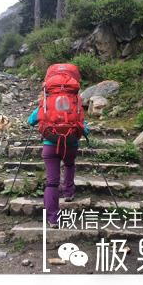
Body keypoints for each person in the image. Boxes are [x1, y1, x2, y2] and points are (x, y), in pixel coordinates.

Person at [27, 96, 90, 228]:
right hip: (71, 145)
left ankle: (53, 218)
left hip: (50, 145)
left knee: (52, 182)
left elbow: (30, 121)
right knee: (69, 165)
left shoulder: (46, 101)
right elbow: (84, 129)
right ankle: (68, 193)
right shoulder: (75, 102)